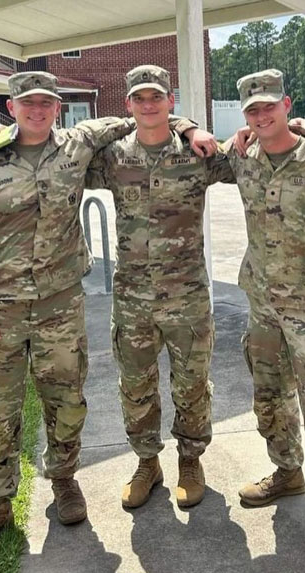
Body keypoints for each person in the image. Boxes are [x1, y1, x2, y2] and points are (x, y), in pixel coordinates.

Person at [0, 71, 212, 558]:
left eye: (47, 102)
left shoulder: (78, 144)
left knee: (66, 402)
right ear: (11, 109)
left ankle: (64, 482)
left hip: (60, 305)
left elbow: (147, 117)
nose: (38, 110)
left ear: (57, 105)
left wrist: (191, 126)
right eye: (28, 103)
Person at [85, 65, 234, 510]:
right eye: (139, 99)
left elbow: (251, 154)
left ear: (171, 99)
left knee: (191, 383)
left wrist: (191, 130)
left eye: (156, 97)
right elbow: (66, 148)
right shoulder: (112, 157)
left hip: (186, 295)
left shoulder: (199, 153)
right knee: (136, 384)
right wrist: (181, 123)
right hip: (132, 298)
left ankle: (190, 459)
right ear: (129, 105)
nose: (148, 105)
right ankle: (147, 462)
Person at [222, 69, 305, 548]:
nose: (261, 115)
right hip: (262, 303)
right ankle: (287, 470)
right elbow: (185, 145)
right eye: (252, 109)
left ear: (287, 105)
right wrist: (196, 130)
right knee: (269, 396)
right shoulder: (241, 157)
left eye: (268, 106)